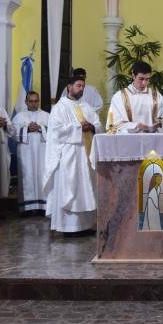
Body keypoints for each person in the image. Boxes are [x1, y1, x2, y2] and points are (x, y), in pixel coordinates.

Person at [44, 75, 102, 233]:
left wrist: (92, 126)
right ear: (69, 87)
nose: (81, 89)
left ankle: (86, 225)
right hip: (69, 155)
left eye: (83, 86)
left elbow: (98, 123)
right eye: (78, 86)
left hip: (85, 154)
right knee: (71, 188)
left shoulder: (86, 106)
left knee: (86, 189)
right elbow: (56, 131)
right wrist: (78, 128)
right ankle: (68, 227)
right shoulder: (59, 108)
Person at [11, 91, 50, 215]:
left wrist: (40, 128)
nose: (34, 104)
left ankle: (43, 206)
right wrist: (27, 128)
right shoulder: (19, 116)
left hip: (42, 151)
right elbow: (12, 133)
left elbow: (54, 132)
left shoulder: (47, 115)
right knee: (26, 176)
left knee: (42, 175)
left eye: (36, 101)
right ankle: (27, 208)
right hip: (25, 152)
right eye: (31, 101)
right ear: (26, 102)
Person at [106, 61, 163, 132]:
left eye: (147, 79)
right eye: (141, 79)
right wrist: (135, 126)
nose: (144, 83)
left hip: (152, 140)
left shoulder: (156, 96)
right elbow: (114, 123)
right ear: (133, 76)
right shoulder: (119, 97)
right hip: (128, 141)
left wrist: (159, 125)